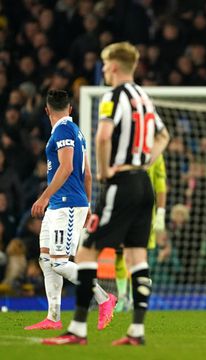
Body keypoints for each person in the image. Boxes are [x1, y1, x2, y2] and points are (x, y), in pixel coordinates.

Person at [43, 42, 170, 346]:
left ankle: (77, 330)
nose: (102, 70)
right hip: (143, 184)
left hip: (122, 182)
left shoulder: (112, 97)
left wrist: (104, 171)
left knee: (86, 252)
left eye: (104, 65)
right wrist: (144, 161)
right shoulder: (144, 97)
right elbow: (163, 136)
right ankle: (137, 332)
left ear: (114, 67)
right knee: (138, 256)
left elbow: (102, 136)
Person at [25, 89, 114, 331]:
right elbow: (87, 173)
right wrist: (87, 206)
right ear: (70, 108)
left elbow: (65, 168)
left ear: (46, 110)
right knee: (46, 260)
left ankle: (104, 298)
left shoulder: (64, 130)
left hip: (65, 203)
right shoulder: (77, 132)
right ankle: (53, 317)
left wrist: (44, 197)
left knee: (59, 262)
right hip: (64, 205)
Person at [114, 153, 168, 312]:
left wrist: (161, 213)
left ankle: (134, 297)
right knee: (119, 253)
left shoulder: (157, 153)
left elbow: (161, 184)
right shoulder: (126, 145)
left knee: (138, 255)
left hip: (144, 212)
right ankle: (122, 296)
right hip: (122, 207)